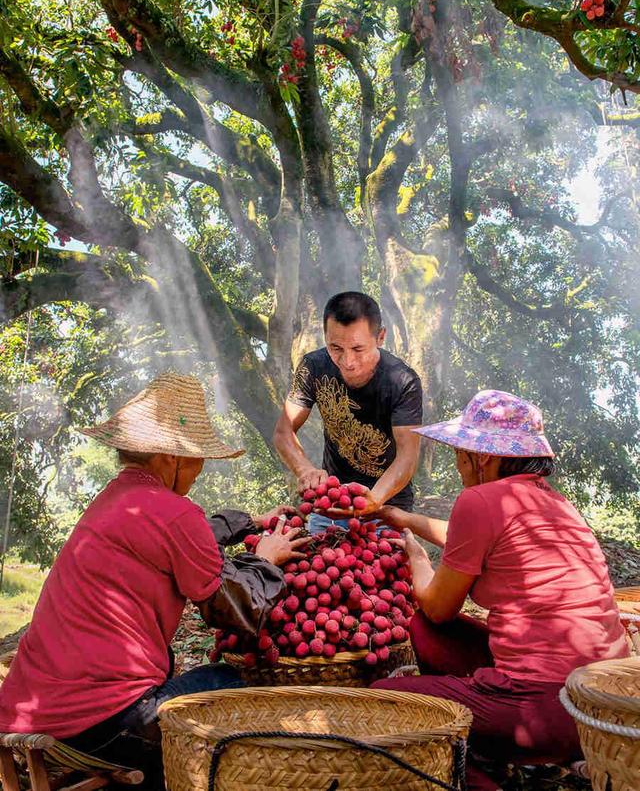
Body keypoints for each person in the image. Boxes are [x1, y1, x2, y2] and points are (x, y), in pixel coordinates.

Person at [0, 373, 306, 789]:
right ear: (170, 457)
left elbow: (183, 537)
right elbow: (236, 610)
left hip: (28, 715)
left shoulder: (114, 501)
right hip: (102, 724)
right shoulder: (174, 515)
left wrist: (249, 522)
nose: (198, 469)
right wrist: (264, 561)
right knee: (233, 685)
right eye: (197, 457)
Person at [372, 390, 629, 791]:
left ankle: (477, 777)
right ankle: (495, 748)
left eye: (461, 452)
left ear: (484, 456)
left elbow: (438, 606)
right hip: (600, 706)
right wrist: (405, 518)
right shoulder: (557, 504)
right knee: (423, 632)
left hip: (544, 711)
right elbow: (471, 543)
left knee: (386, 702)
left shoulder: (479, 499)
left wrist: (416, 560)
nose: (459, 465)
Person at [273, 291, 422, 533]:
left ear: (380, 337)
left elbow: (408, 456)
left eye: (358, 348)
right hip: (330, 505)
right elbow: (283, 432)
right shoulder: (313, 367)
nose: (347, 361)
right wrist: (305, 470)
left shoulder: (403, 381)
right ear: (325, 337)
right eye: (336, 348)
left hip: (388, 507)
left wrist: (374, 499)